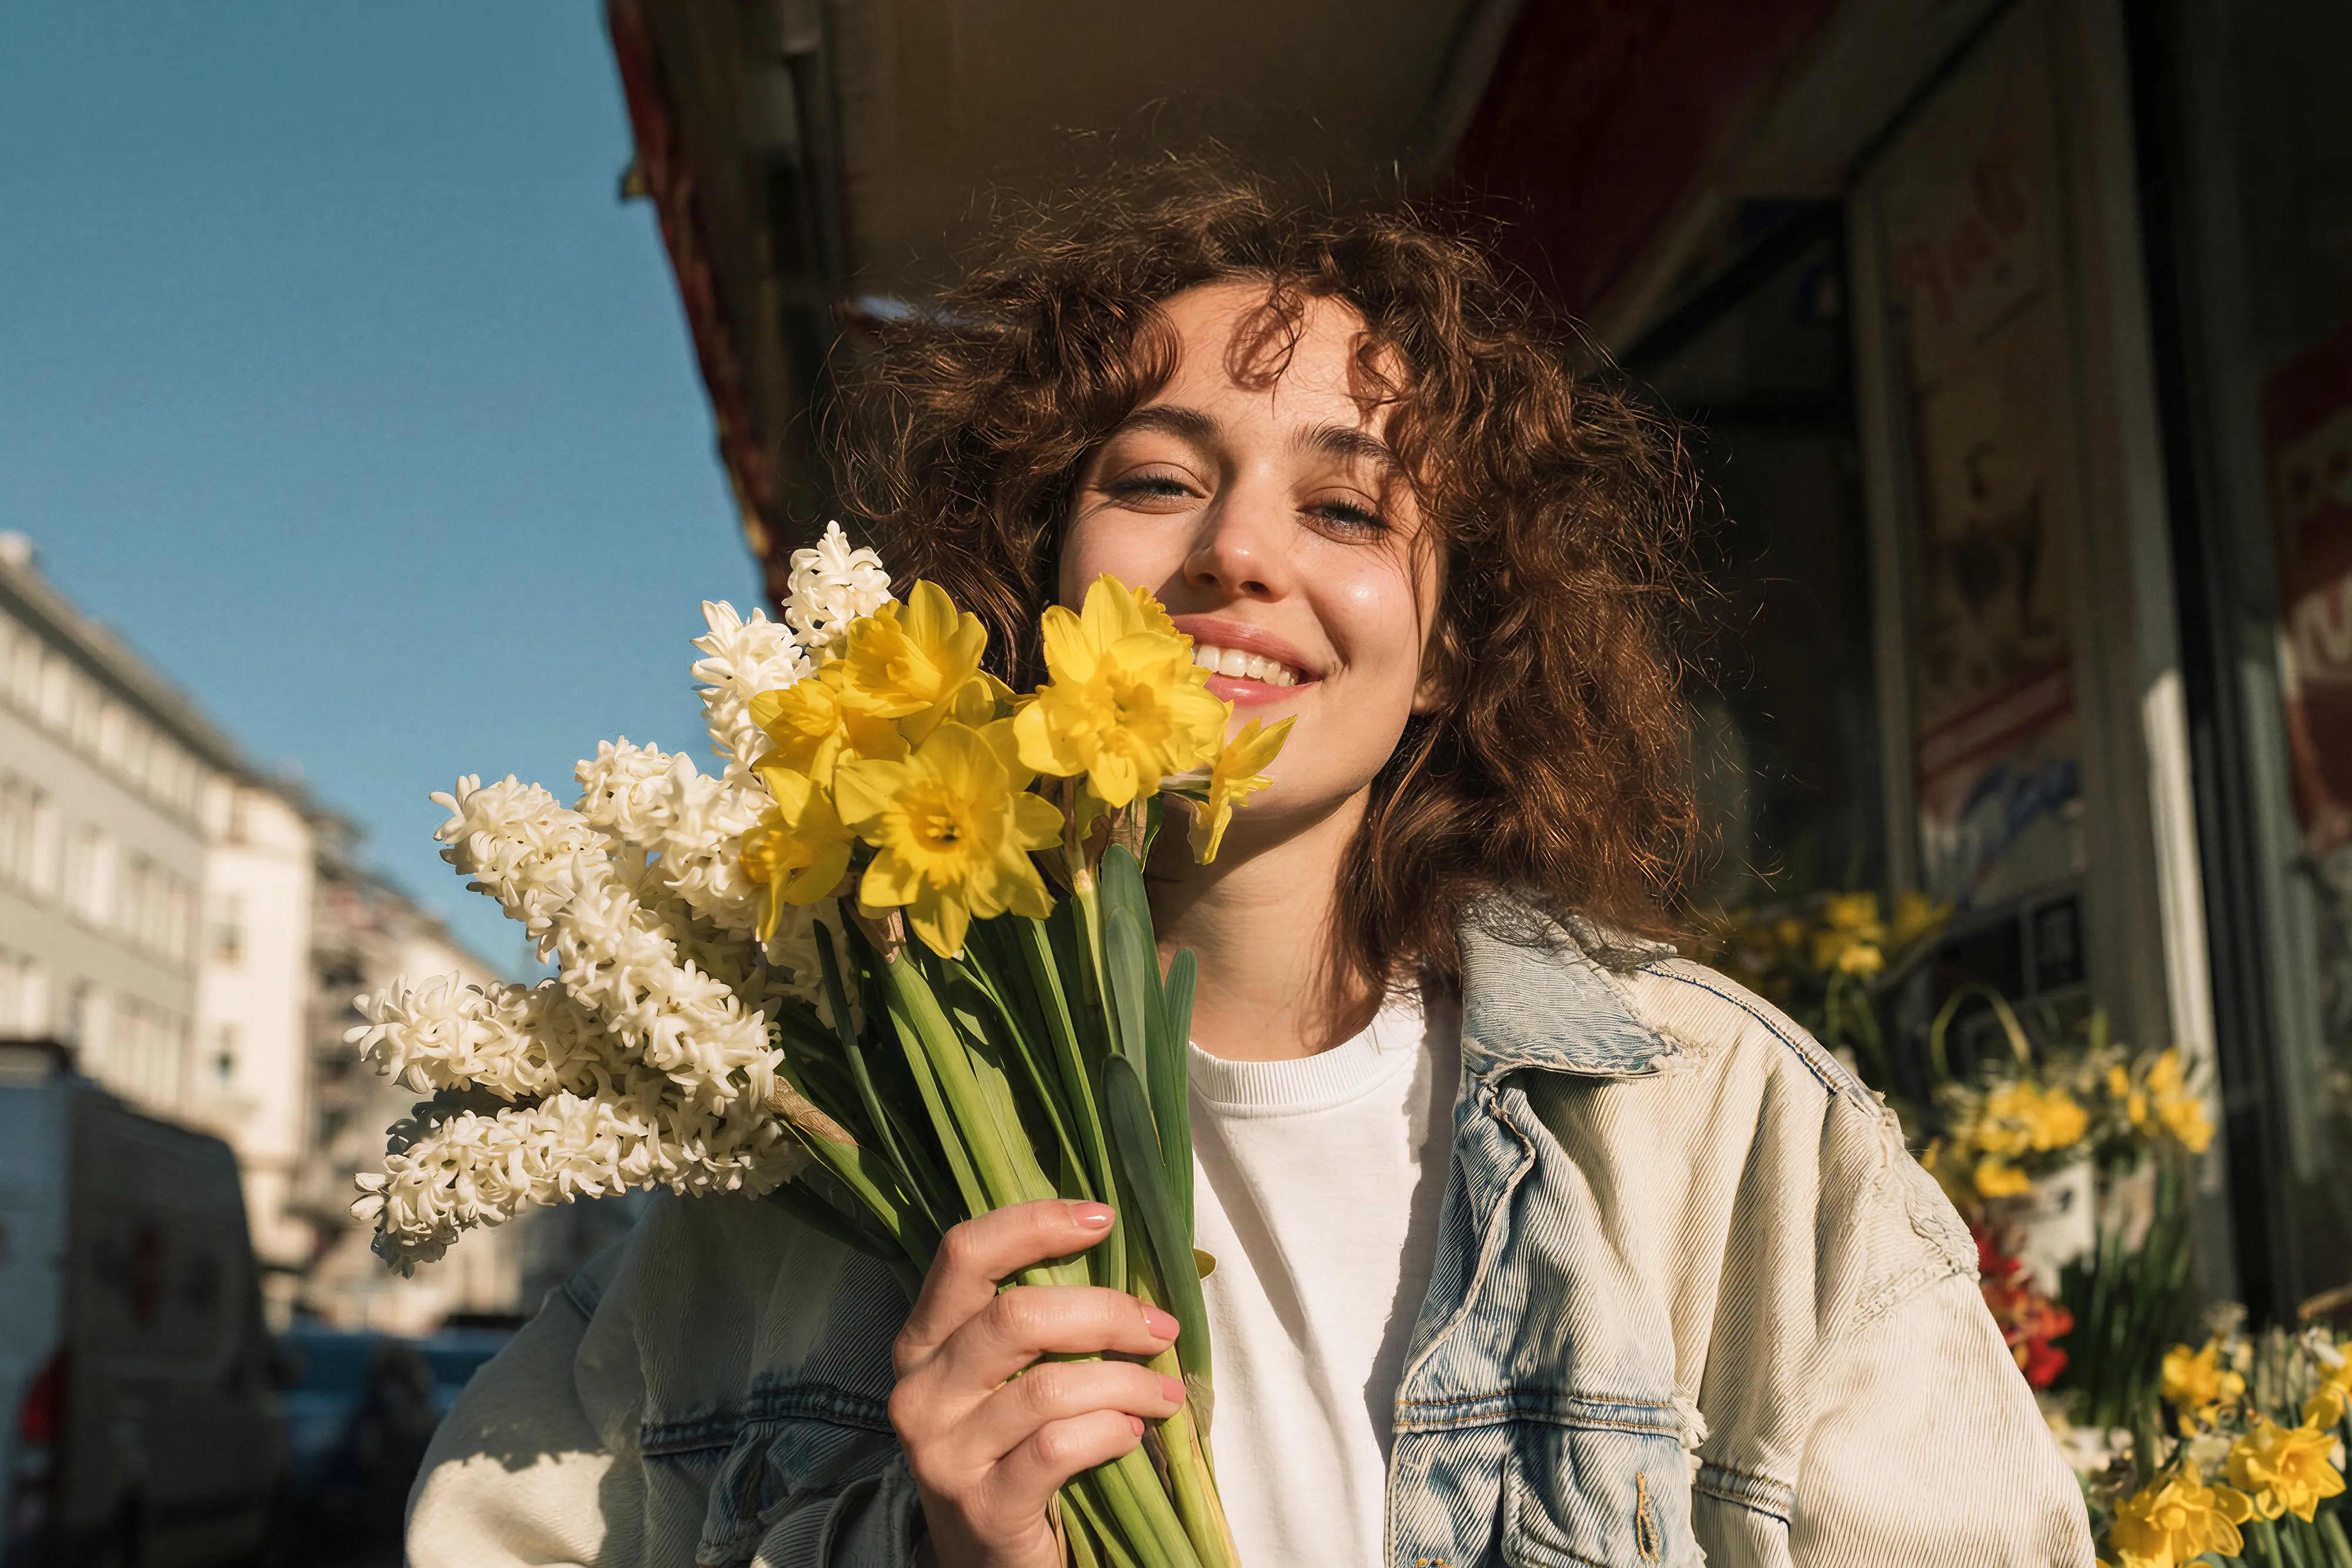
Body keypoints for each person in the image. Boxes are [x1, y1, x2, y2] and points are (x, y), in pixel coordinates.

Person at [406, 161, 2094, 1568]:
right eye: (1156, 480)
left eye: (1348, 511)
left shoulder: (1717, 1133)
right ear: (1041, 577)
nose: (1235, 552)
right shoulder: (796, 1169)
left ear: (1449, 649)